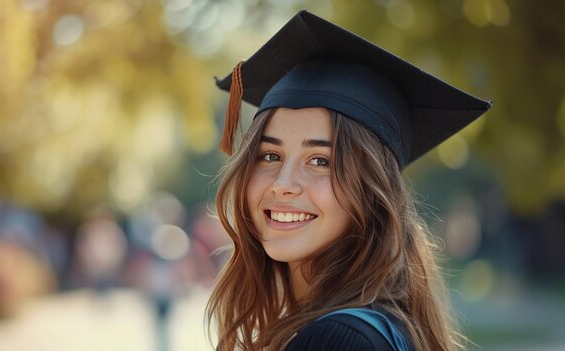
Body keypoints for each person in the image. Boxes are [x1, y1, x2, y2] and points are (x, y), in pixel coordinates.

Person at [206, 10, 491, 351]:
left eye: (320, 161)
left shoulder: (340, 339)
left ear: (371, 191)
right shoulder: (377, 327)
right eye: (270, 156)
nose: (282, 183)